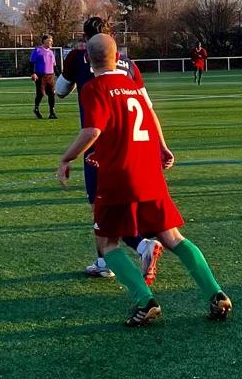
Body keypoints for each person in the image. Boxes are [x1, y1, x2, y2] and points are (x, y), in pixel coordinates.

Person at [57, 33, 232, 326]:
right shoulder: (133, 85)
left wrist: (66, 158)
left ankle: (144, 300)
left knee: (106, 243)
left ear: (88, 60)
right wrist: (162, 147)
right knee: (173, 237)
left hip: (119, 178)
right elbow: (148, 116)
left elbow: (93, 131)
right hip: (150, 171)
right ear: (118, 58)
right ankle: (216, 293)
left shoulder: (94, 88)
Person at [56, 17, 163, 281]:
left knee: (101, 208)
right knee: (133, 205)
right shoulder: (128, 64)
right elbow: (148, 107)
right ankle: (142, 245)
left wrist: (67, 157)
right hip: (138, 145)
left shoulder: (80, 58)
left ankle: (126, 252)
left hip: (101, 146)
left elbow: (59, 91)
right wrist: (162, 146)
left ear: (85, 39)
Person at [30, 34, 58, 119]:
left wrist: (58, 74)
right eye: (49, 40)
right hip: (40, 76)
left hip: (50, 75)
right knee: (41, 94)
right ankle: (36, 108)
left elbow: (54, 65)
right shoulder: (37, 50)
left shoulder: (51, 52)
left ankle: (52, 112)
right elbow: (31, 62)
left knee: (51, 94)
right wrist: (33, 73)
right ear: (44, 41)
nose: (51, 42)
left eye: (51, 41)